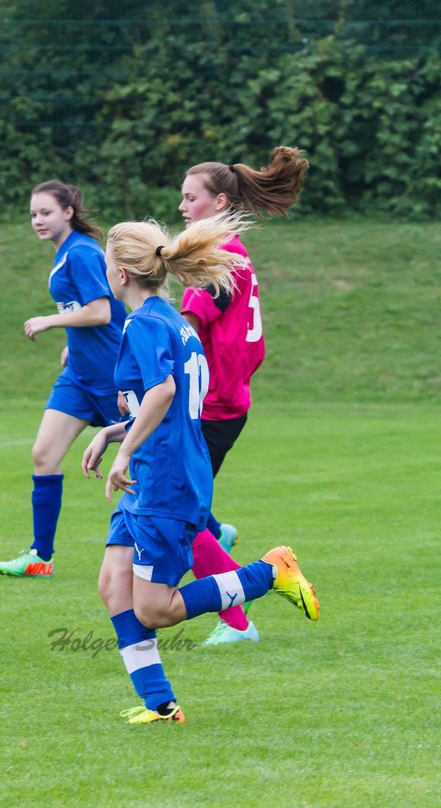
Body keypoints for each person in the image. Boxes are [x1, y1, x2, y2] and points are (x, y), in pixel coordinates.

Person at [82, 213, 320, 724]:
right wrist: (112, 433)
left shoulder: (146, 323)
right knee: (112, 585)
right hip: (156, 471)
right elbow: (168, 405)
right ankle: (161, 706)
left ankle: (268, 573)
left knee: (154, 609)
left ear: (121, 273)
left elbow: (164, 393)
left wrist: (123, 453)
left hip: (163, 480)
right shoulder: (170, 321)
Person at [176, 146, 310, 645]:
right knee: (174, 510)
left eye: (192, 199)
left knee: (169, 517)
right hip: (221, 404)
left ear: (220, 201)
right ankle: (218, 533)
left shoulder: (219, 259)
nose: (184, 208)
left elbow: (185, 333)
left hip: (208, 409)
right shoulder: (234, 250)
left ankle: (242, 606)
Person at [0, 181, 126, 578]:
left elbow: (101, 312)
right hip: (79, 377)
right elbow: (83, 313)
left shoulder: (83, 252)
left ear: (68, 212)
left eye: (46, 212)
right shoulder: (67, 253)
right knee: (44, 454)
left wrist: (52, 320)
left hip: (113, 377)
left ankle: (211, 530)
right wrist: (74, 342)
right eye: (33, 214)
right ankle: (40, 556)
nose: (38, 220)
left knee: (152, 466)